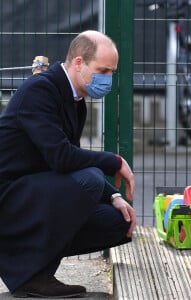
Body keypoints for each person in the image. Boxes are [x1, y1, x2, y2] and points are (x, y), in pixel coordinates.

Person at [0, 30, 136, 298]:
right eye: (102, 70)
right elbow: (61, 157)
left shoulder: (75, 100)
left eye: (112, 72)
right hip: (9, 197)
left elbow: (70, 157)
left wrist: (115, 196)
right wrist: (114, 161)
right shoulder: (40, 90)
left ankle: (34, 269)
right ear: (78, 62)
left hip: (33, 192)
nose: (108, 79)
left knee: (118, 222)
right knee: (90, 180)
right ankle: (32, 275)